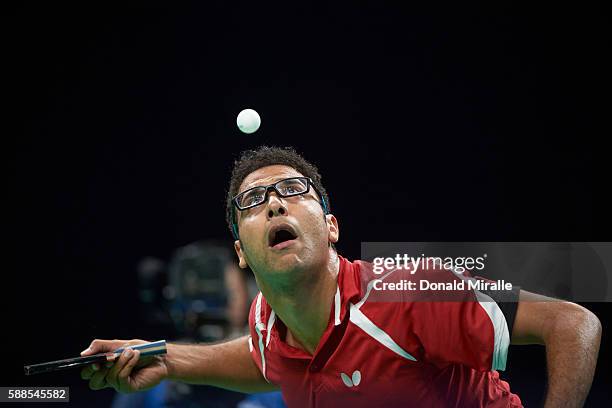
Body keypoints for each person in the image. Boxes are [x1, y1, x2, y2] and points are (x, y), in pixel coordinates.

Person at [81, 146, 602, 407]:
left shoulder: (405, 290)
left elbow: (572, 323)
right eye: (253, 201)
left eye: (293, 189)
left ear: (331, 227)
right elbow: (264, 362)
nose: (275, 202)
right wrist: (161, 357)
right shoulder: (267, 321)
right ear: (242, 252)